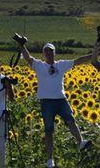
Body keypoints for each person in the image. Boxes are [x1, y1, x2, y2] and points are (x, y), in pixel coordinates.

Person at [17, 39, 93, 168]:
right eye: (46, 51)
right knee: (48, 130)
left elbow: (78, 60)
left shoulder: (61, 64)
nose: (48, 53)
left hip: (60, 99)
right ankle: (50, 159)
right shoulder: (39, 65)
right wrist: (21, 45)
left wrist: (93, 54)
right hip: (46, 101)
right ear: (43, 54)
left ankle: (81, 142)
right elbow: (27, 57)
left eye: (51, 51)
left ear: (54, 53)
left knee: (71, 120)